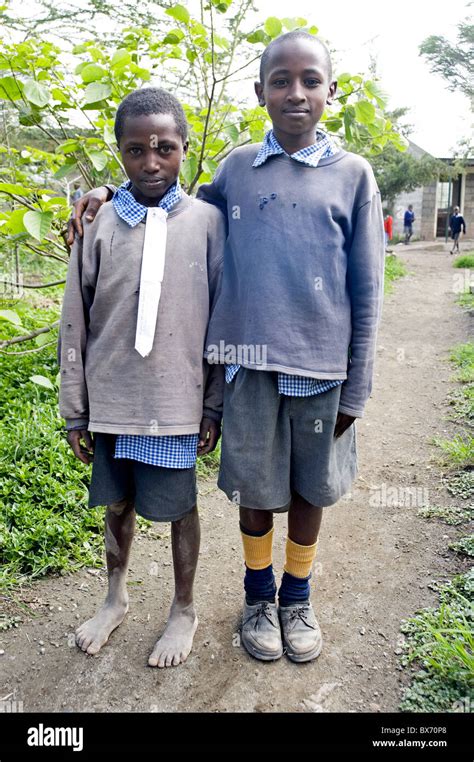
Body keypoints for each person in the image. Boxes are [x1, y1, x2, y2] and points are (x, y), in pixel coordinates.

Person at [68, 31, 384, 665]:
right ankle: (258, 597)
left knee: (309, 492)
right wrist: (104, 192)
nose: (295, 93)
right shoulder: (238, 169)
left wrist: (359, 383)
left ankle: (297, 596)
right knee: (257, 491)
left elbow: (368, 286)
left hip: (321, 369)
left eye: (310, 80)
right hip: (249, 369)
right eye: (280, 81)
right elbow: (167, 205)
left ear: (330, 89)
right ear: (259, 90)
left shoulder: (354, 175)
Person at [60, 87, 225, 668]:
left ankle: (183, 609)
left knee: (181, 508)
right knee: (117, 505)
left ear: (184, 149)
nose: (150, 162)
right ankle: (114, 598)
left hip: (178, 401)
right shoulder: (98, 223)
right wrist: (74, 409)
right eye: (135, 150)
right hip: (112, 401)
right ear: (120, 152)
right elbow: (75, 321)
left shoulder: (207, 222)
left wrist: (213, 404)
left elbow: (223, 319)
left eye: (164, 148)